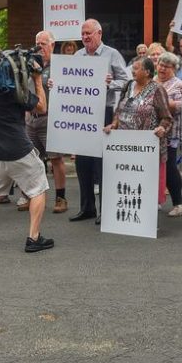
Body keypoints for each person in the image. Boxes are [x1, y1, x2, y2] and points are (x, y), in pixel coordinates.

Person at [0, 46, 53, 253]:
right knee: (38, 189)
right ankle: (34, 238)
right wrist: (35, 79)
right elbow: (42, 108)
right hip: (19, 150)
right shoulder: (14, 92)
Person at [71, 19, 129, 224]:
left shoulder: (112, 54)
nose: (85, 37)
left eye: (89, 33)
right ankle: (87, 208)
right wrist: (57, 83)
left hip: (104, 112)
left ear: (99, 33)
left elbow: (127, 82)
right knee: (83, 163)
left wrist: (110, 83)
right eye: (83, 34)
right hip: (83, 114)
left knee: (103, 164)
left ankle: (106, 210)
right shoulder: (77, 55)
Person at [23, 31, 69, 214]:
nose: (39, 47)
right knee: (32, 160)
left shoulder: (61, 65)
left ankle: (61, 198)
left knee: (56, 159)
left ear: (52, 45)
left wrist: (59, 83)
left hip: (50, 119)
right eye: (37, 43)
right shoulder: (29, 64)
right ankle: (31, 197)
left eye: (43, 43)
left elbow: (71, 89)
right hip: (30, 119)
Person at [104, 55, 173, 165]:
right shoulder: (128, 85)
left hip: (147, 149)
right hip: (125, 146)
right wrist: (113, 124)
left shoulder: (157, 90)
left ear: (147, 72)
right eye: (133, 68)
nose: (132, 71)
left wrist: (162, 128)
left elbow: (167, 118)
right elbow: (119, 110)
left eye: (136, 68)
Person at [156, 51, 182, 216]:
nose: (162, 68)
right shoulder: (152, 81)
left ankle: (178, 204)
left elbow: (181, 106)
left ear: (174, 69)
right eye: (160, 64)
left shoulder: (178, 84)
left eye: (166, 66)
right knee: (152, 168)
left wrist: (160, 102)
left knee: (169, 167)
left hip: (170, 133)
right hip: (151, 132)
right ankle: (155, 200)